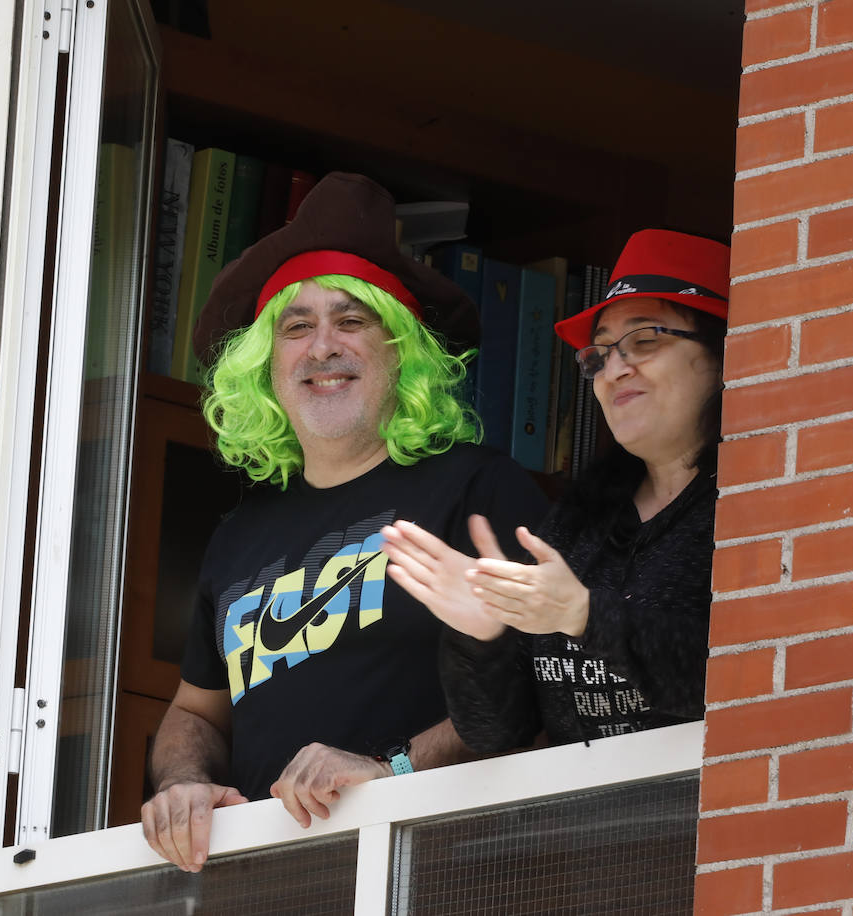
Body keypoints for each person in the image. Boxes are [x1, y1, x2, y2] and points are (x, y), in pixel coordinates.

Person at [140, 172, 548, 871]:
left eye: (351, 321)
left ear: (403, 352)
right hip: (261, 884)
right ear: (265, 368)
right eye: (296, 327)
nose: (322, 346)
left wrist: (392, 771)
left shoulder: (477, 488)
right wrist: (184, 784)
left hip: (432, 872)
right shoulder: (239, 535)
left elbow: (541, 685)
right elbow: (196, 712)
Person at [381, 228, 727, 752]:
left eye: (645, 340)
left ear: (727, 350)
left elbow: (746, 679)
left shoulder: (756, 502)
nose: (615, 369)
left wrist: (585, 615)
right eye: (601, 354)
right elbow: (497, 736)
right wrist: (482, 638)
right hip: (576, 832)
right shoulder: (577, 522)